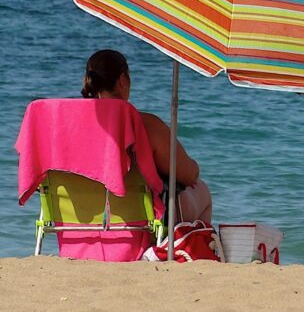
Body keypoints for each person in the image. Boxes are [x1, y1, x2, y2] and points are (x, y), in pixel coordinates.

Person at [81, 49, 212, 224]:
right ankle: (189, 250)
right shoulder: (145, 125)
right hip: (138, 224)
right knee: (202, 191)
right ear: (122, 81)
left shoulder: (71, 127)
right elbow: (189, 175)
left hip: (81, 221)